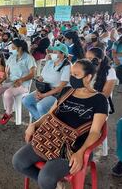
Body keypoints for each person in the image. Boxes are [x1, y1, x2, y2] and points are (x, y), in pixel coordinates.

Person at [12, 59, 108, 189]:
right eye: (71, 74)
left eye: (76, 75)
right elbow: (50, 114)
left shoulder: (99, 100)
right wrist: (34, 124)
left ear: (88, 77)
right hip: (50, 138)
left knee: (45, 178)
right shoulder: (67, 91)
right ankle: (56, 184)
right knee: (18, 162)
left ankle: (50, 183)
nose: (72, 78)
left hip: (73, 147)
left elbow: (95, 132)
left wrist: (80, 153)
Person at [0, 39, 36, 125]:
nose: (11, 48)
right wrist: (2, 80)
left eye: (13, 47)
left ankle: (8, 113)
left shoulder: (29, 58)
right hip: (11, 81)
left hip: (23, 85)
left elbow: (33, 74)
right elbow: (7, 73)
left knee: (7, 93)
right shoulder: (12, 57)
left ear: (20, 48)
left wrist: (21, 80)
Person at [22, 43, 70, 121]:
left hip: (57, 94)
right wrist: (38, 92)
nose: (52, 54)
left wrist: (43, 95)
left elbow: (60, 88)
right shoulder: (49, 63)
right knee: (26, 100)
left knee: (40, 106)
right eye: (53, 52)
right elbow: (40, 79)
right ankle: (41, 122)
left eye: (55, 52)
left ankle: (41, 123)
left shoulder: (67, 66)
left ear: (63, 54)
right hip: (44, 89)